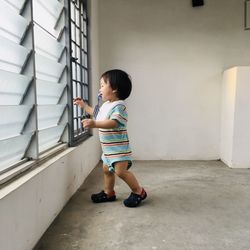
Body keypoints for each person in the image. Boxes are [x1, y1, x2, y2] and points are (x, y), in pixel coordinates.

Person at [73, 69, 147, 207]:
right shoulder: (106, 105)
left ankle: (139, 191)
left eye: (102, 85)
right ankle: (109, 192)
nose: (99, 89)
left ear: (114, 89)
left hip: (119, 149)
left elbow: (114, 123)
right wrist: (83, 106)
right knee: (107, 170)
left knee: (121, 172)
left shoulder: (119, 106)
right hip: (108, 150)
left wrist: (95, 124)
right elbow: (96, 113)